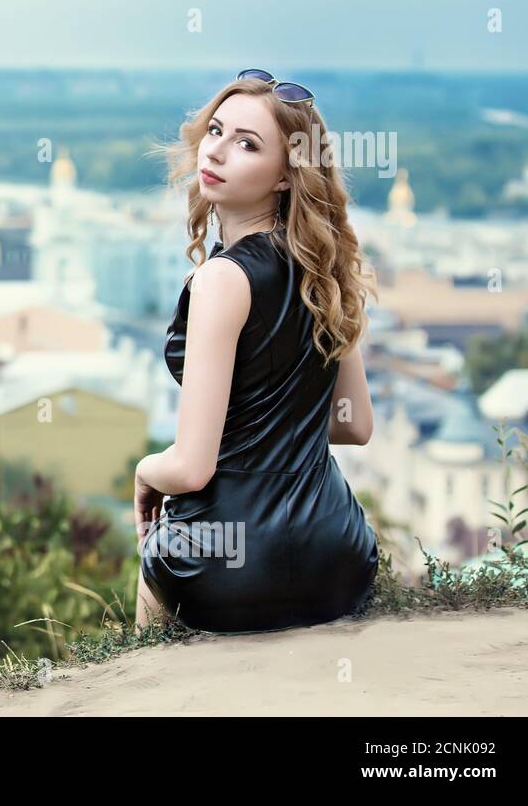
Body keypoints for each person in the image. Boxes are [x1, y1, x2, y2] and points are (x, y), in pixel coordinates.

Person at [135, 69, 380, 634]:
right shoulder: (326, 272)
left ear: (286, 177)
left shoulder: (222, 280)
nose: (217, 151)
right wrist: (278, 426)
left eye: (247, 144)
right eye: (216, 131)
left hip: (223, 565)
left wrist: (146, 470)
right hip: (336, 555)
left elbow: (191, 469)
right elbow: (355, 424)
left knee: (145, 676)